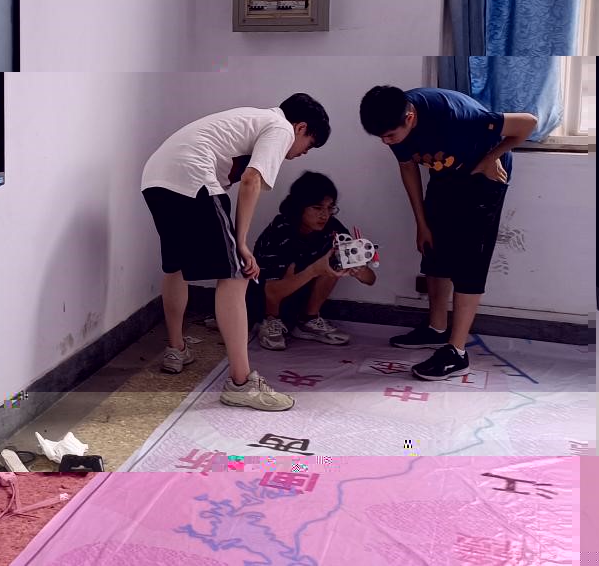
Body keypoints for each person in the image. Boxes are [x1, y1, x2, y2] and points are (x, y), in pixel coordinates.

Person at [141, 93, 330, 411]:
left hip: (156, 178)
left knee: (177, 267)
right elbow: (251, 180)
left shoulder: (252, 119)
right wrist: (241, 244)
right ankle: (241, 383)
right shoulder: (280, 127)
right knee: (237, 275)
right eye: (308, 145)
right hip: (193, 177)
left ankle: (176, 349)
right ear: (300, 128)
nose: (301, 153)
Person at [359, 85, 535, 381]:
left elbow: (528, 123)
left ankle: (457, 352)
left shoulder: (456, 117)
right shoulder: (393, 119)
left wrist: (490, 158)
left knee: (469, 261)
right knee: (434, 247)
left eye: (389, 136)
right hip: (447, 173)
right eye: (381, 137)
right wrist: (421, 223)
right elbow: (407, 168)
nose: (385, 142)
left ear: (410, 118)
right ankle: (436, 328)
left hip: (484, 176)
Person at [252, 172, 377, 350]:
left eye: (330, 208)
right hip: (265, 299)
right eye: (317, 208)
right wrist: (314, 270)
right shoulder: (280, 231)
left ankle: (308, 320)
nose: (325, 215)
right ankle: (270, 321)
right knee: (302, 267)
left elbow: (371, 280)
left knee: (335, 260)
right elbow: (270, 291)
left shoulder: (332, 229)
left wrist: (360, 269)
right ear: (299, 207)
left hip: (303, 296)